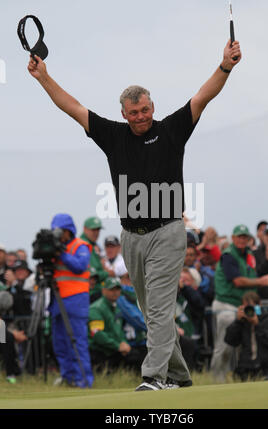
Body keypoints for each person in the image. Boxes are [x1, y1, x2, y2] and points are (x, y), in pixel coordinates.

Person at [27, 37, 242, 391]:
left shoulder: (171, 129)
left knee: (158, 308)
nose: (141, 117)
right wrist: (43, 77)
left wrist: (225, 66)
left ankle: (154, 377)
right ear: (124, 113)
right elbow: (72, 106)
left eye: (145, 110)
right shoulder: (113, 135)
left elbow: (204, 95)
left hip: (169, 231)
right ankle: (179, 377)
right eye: (133, 112)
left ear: (152, 106)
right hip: (132, 237)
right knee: (150, 312)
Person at [210, 224, 268, 383]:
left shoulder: (248, 255)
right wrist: (263, 281)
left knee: (246, 343)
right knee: (224, 346)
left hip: (240, 305)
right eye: (239, 236)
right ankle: (215, 381)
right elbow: (238, 281)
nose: (242, 239)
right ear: (233, 238)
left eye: (245, 237)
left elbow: (254, 275)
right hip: (226, 305)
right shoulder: (228, 255)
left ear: (249, 239)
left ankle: (245, 376)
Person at [49, 213, 94, 388]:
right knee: (60, 343)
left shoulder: (81, 246)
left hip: (75, 301)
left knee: (77, 343)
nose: (58, 234)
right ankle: (67, 378)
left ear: (69, 231)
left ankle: (83, 380)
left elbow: (79, 266)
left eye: (61, 231)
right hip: (57, 301)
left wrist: (61, 253)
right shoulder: (55, 247)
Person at [88, 277, 145, 373]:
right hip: (100, 352)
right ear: (104, 290)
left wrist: (122, 342)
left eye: (117, 289)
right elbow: (97, 334)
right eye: (111, 289)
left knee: (138, 356)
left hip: (114, 349)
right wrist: (117, 345)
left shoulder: (117, 307)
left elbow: (119, 331)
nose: (115, 292)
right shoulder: (96, 308)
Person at [224, 291, 268, 381]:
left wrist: (257, 324)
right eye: (247, 307)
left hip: (265, 367)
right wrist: (237, 321)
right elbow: (230, 340)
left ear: (259, 305)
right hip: (245, 366)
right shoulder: (242, 322)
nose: (250, 310)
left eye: (252, 307)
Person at [80, 216, 109, 299]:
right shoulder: (84, 246)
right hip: (90, 293)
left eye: (98, 230)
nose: (96, 233)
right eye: (93, 230)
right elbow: (93, 273)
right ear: (85, 229)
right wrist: (107, 273)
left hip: (96, 291)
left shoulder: (94, 246)